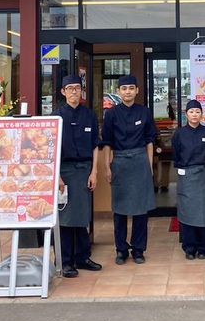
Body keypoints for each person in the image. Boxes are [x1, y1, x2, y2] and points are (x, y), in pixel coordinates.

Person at [102, 74, 157, 265]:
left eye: (131, 88)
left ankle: (139, 249)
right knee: (120, 210)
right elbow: (107, 143)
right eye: (124, 89)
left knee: (141, 210)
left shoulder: (145, 112)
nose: (128, 92)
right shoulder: (111, 114)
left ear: (137, 90)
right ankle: (121, 249)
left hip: (141, 161)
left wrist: (149, 166)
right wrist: (107, 166)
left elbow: (150, 140)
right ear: (118, 91)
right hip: (120, 162)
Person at [55, 75, 103, 277]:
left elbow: (95, 145)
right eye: (70, 88)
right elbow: (51, 148)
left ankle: (83, 257)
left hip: (84, 170)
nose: (74, 92)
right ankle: (65, 261)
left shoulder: (89, 115)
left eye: (77, 88)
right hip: (64, 171)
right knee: (66, 218)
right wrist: (56, 176)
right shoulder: (56, 117)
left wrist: (94, 171)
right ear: (63, 92)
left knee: (82, 217)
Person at [172, 99, 205, 259]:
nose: (194, 115)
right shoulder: (179, 133)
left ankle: (204, 247)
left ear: (201, 114)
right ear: (186, 114)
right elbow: (176, 155)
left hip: (204, 175)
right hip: (187, 176)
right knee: (187, 213)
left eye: (197, 112)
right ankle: (189, 247)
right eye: (191, 112)